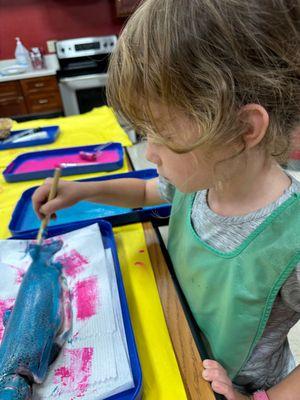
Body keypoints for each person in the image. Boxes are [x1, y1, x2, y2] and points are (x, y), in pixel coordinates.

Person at [32, 0, 300, 398]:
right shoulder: (199, 182)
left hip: (244, 386)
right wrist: (82, 190)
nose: (151, 153)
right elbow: (143, 191)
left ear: (244, 128)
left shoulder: (292, 237)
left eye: (159, 134)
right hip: (175, 336)